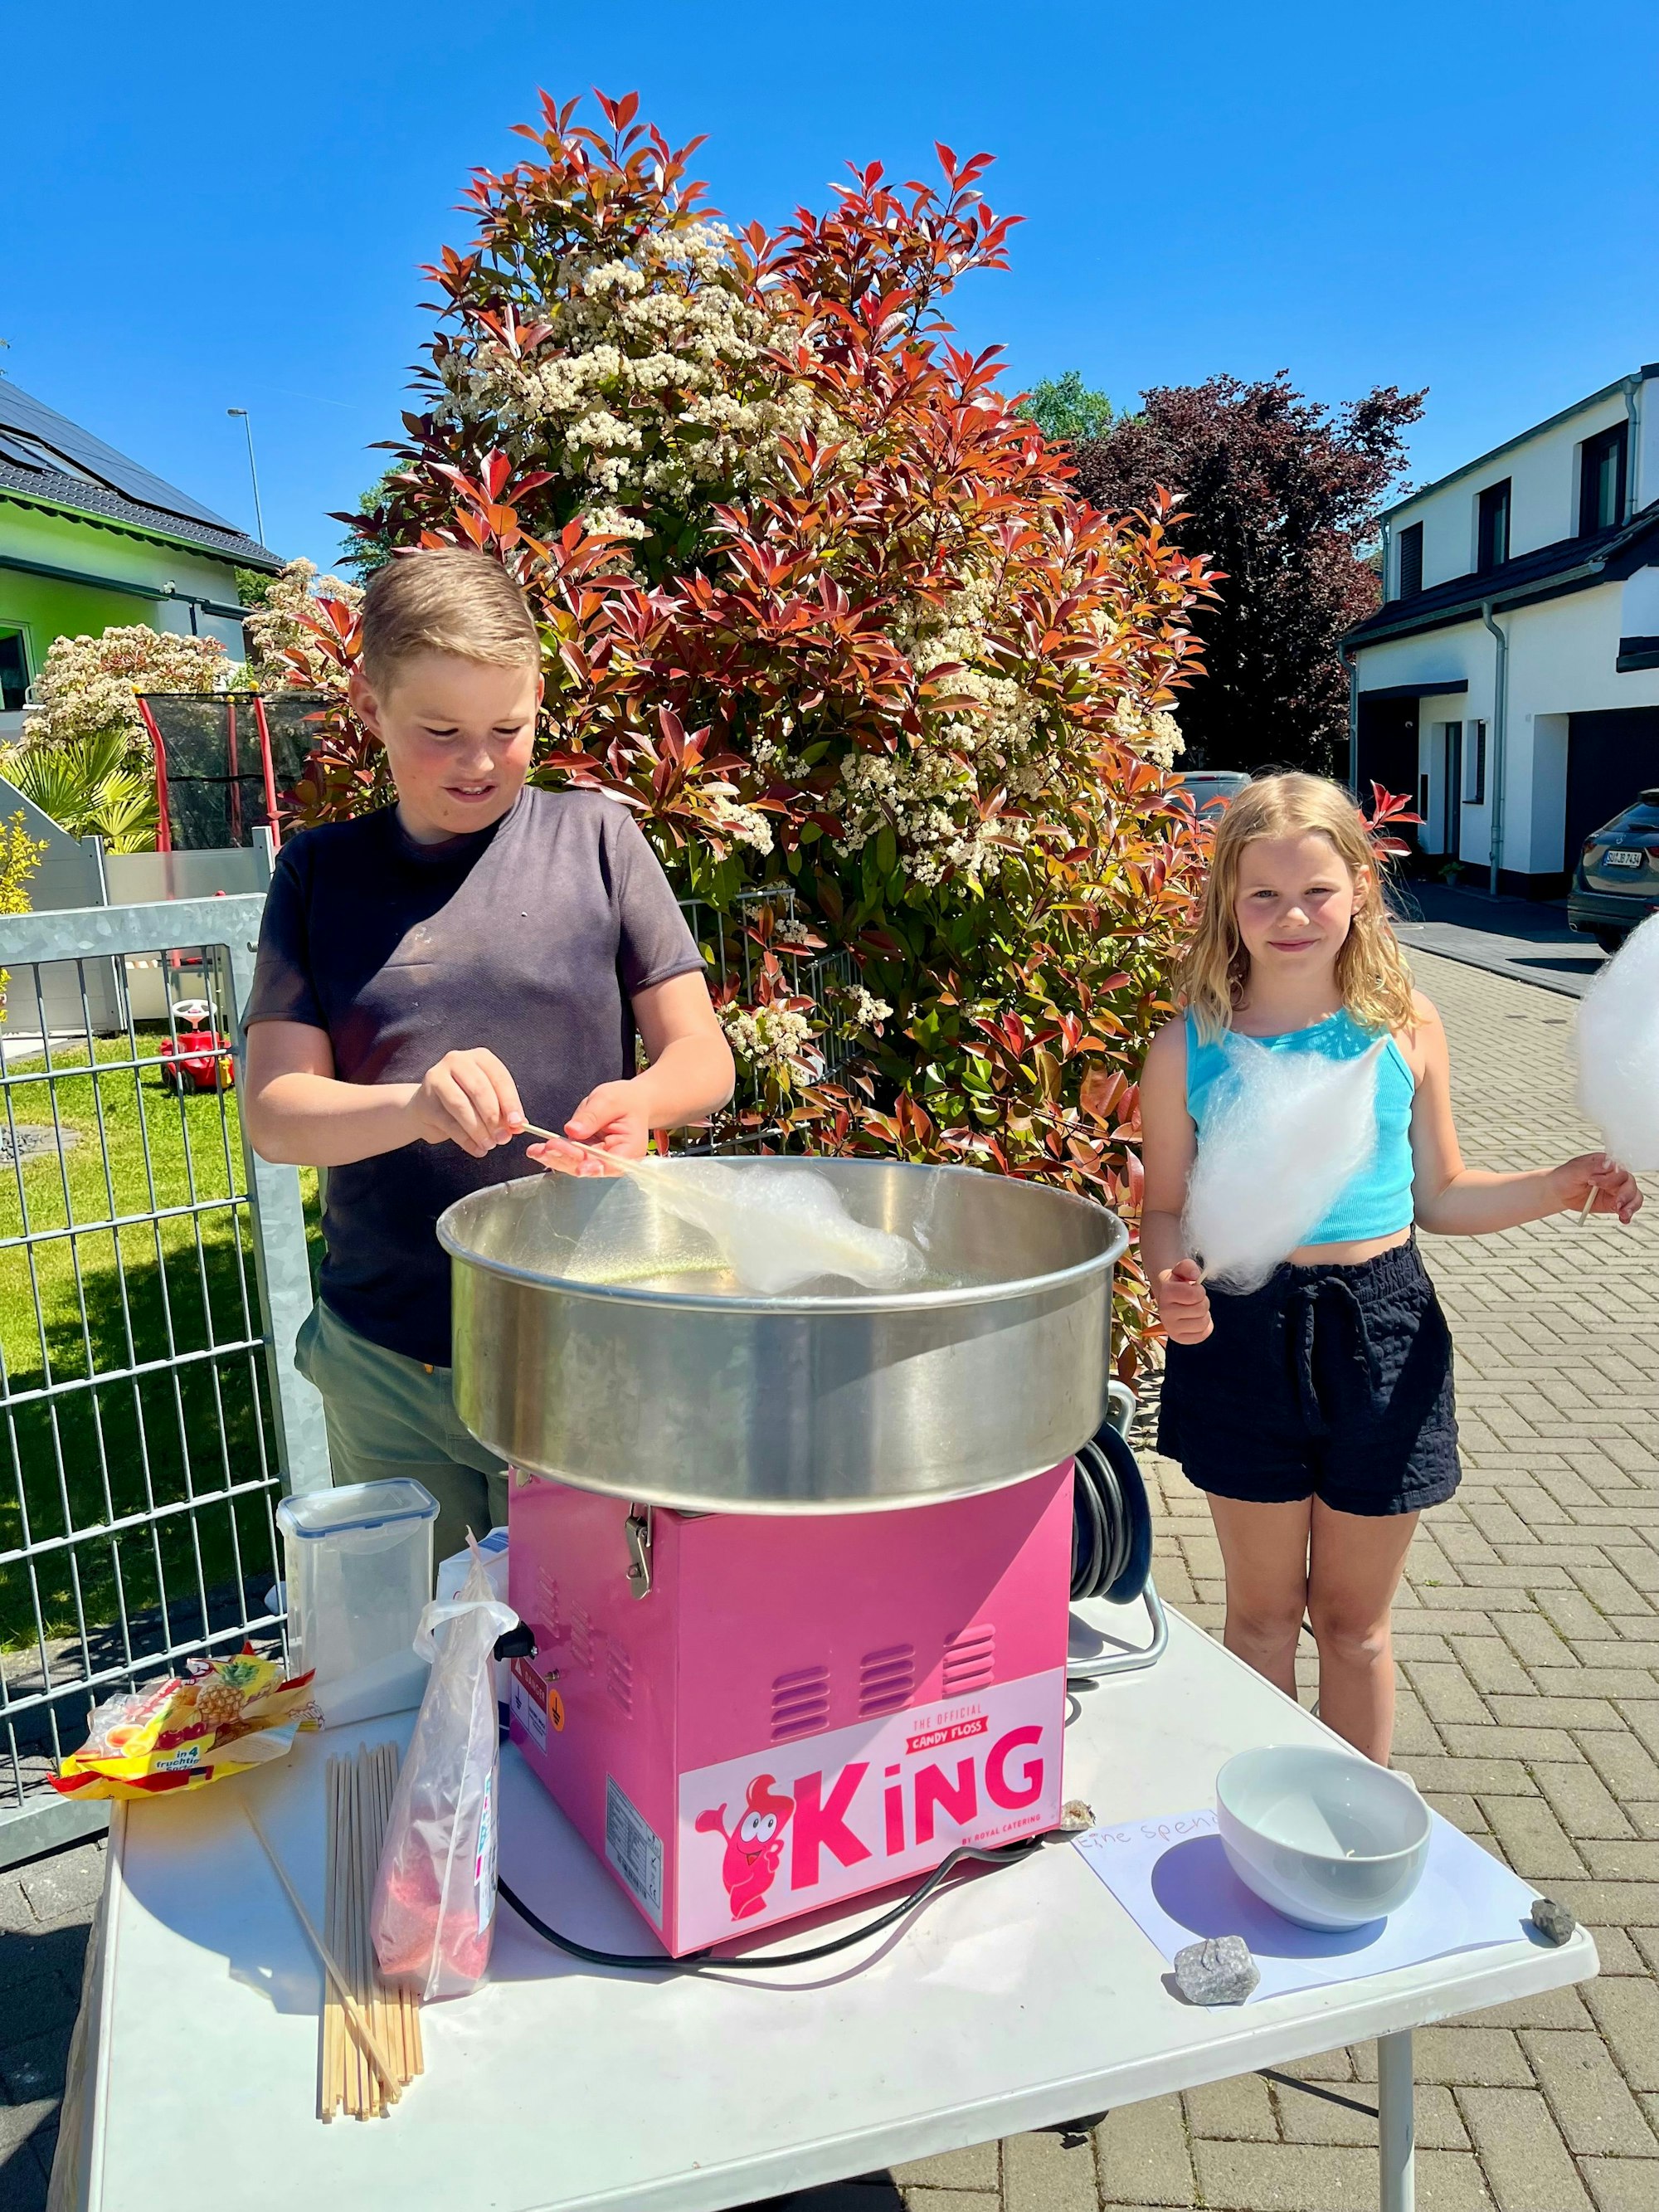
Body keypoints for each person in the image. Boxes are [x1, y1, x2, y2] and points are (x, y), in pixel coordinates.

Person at [242, 548, 734, 1562]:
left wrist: (644, 1099)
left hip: (580, 1346)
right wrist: (416, 1104)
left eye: (508, 729)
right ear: (368, 703)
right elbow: (276, 1111)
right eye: (441, 733)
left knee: (581, 1663)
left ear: (539, 702)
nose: (479, 761)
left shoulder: (596, 837)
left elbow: (703, 1058)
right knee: (420, 1657)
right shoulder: (319, 872)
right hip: (382, 1360)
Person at [1138, 772, 1640, 1763]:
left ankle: (1353, 1831)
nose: (1291, 916)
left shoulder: (1405, 1022)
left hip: (1382, 1330)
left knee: (1353, 1624)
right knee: (1261, 1619)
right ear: (1226, 905)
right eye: (1262, 896)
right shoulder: (1187, 1042)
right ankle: (1259, 1824)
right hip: (1241, 1335)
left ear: (1360, 887)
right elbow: (1161, 1209)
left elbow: (1441, 1194)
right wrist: (1169, 1282)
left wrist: (1555, 1183)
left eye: (1316, 890)